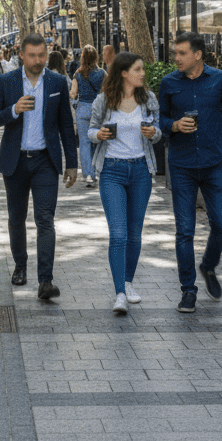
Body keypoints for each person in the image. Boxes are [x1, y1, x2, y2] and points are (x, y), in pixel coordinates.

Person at [0, 33, 79, 301]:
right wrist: (13, 109)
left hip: (45, 161)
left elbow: (65, 125)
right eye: (32, 56)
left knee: (45, 219)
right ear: (22, 55)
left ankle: (45, 280)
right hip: (15, 161)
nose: (37, 60)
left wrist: (71, 163)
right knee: (16, 218)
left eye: (42, 55)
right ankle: (20, 265)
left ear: (47, 54)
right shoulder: (7, 81)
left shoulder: (58, 82)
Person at [158, 32, 222, 314]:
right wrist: (174, 125)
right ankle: (188, 290)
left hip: (213, 163)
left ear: (198, 55)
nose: (176, 58)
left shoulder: (219, 80)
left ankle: (208, 265)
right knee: (185, 232)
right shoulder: (168, 83)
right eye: (175, 53)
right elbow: (160, 120)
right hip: (181, 166)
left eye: (182, 53)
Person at [88, 52, 162, 314]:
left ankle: (128, 282)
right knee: (118, 234)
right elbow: (90, 130)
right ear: (123, 73)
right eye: (138, 69)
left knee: (134, 234)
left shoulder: (148, 99)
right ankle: (119, 292)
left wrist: (154, 133)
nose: (143, 73)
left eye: (142, 69)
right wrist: (98, 134)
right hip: (112, 171)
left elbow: (158, 130)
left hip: (141, 170)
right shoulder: (104, 100)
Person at [70, 45, 106, 188]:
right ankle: (96, 171)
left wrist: (75, 101)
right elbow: (107, 91)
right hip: (97, 109)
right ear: (96, 57)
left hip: (83, 109)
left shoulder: (78, 74)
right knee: (96, 140)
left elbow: (73, 93)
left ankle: (88, 174)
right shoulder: (102, 73)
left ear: (83, 58)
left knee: (84, 142)